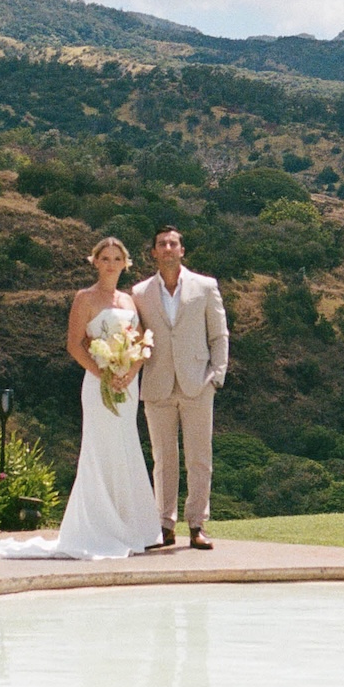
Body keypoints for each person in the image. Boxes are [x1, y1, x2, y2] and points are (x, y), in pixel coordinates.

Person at [0, 237, 160, 560]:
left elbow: (141, 345)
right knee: (100, 449)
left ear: (125, 263)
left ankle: (133, 528)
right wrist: (103, 373)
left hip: (127, 386)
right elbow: (74, 344)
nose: (110, 264)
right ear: (95, 262)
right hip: (98, 383)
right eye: (104, 258)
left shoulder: (129, 301)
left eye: (116, 258)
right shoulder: (85, 298)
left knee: (126, 449)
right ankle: (97, 527)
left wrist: (130, 372)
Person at [132, 226, 228, 551]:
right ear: (154, 253)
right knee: (163, 458)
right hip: (157, 384)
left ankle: (198, 525)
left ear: (182, 250)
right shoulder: (140, 292)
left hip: (197, 384)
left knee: (200, 458)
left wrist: (217, 376)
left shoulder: (205, 286)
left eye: (174, 243)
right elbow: (135, 336)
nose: (169, 248)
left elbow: (219, 335)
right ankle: (164, 525)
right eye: (162, 244)